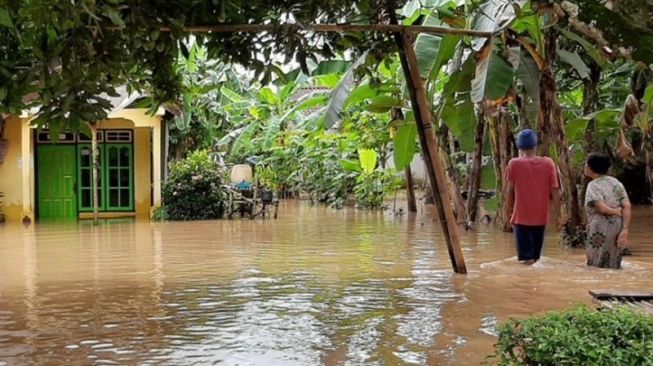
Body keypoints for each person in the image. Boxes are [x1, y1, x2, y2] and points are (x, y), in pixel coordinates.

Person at [505, 129, 562, 265]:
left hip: (521, 218)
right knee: (535, 258)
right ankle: (535, 284)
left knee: (526, 260)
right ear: (535, 145)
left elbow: (509, 191)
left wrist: (507, 211)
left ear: (519, 146)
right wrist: (559, 216)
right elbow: (555, 191)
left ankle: (527, 285)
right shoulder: (548, 163)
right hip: (541, 218)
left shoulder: (514, 164)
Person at [584, 153, 631, 269]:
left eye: (586, 164)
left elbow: (601, 208)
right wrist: (625, 229)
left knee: (595, 263)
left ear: (591, 168)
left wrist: (615, 211)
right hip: (617, 227)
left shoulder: (593, 185)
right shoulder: (616, 183)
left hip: (599, 228)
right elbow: (627, 206)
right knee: (614, 262)